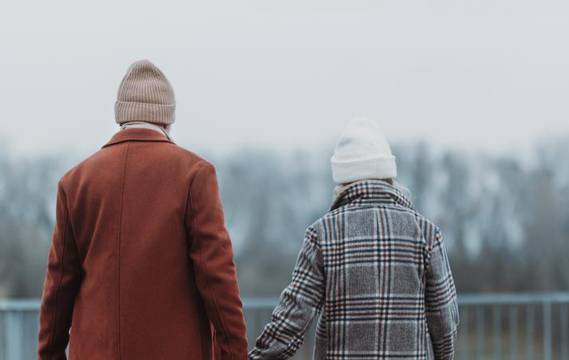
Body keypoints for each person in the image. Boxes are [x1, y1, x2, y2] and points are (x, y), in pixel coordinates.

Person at [38, 60, 248, 359]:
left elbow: (57, 291)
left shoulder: (75, 182)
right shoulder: (194, 175)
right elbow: (218, 281)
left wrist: (49, 354)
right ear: (167, 118)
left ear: (121, 116)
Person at [249, 118, 459, 359]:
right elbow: (445, 322)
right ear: (389, 175)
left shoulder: (323, 235)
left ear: (341, 179)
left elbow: (292, 320)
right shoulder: (426, 233)